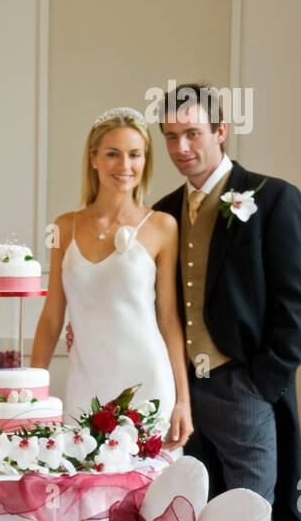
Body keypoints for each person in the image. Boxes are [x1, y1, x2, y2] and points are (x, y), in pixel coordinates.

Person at [154, 82, 301, 521]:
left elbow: (297, 303)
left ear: (220, 130)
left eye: (192, 134)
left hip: (243, 386)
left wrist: (263, 383)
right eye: (170, 136)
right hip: (179, 393)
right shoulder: (163, 212)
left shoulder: (273, 199)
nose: (180, 147)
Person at [32, 106, 192, 449]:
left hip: (149, 382)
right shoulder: (63, 227)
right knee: (84, 492)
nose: (125, 166)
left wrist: (183, 400)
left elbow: (168, 318)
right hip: (85, 382)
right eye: (112, 154)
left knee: (149, 497)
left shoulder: (163, 226)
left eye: (135, 155)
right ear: (93, 158)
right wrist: (33, 396)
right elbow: (51, 319)